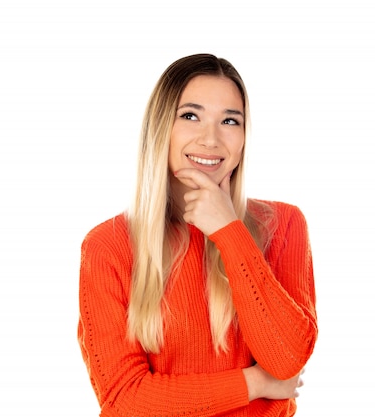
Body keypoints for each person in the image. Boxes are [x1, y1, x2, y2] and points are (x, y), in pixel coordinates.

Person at [78, 53, 318, 417]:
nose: (211, 139)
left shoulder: (282, 225)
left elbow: (285, 359)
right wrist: (255, 383)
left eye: (229, 121)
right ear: (162, 128)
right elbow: (125, 402)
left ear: (243, 139)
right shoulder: (107, 247)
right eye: (190, 116)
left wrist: (228, 231)